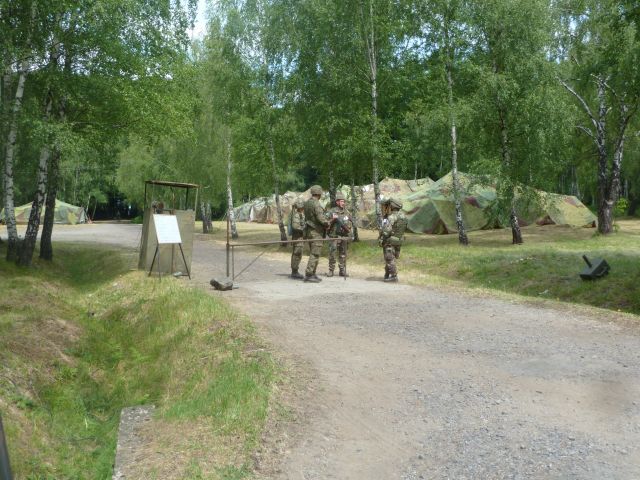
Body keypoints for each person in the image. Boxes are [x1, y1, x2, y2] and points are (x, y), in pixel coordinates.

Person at [303, 185, 330, 283]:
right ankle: (309, 274)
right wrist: (328, 223)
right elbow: (321, 218)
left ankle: (313, 273)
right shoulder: (316, 204)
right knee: (315, 254)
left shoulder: (307, 203)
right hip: (316, 232)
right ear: (319, 193)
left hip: (309, 231)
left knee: (314, 253)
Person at [379, 197, 408, 282]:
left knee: (389, 258)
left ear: (392, 206)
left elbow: (386, 231)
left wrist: (382, 235)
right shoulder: (404, 216)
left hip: (390, 241)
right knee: (391, 257)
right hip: (399, 240)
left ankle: (394, 276)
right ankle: (387, 274)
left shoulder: (391, 217)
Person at [326, 191, 353, 277]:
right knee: (332, 253)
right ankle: (331, 270)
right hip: (334, 236)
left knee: (343, 253)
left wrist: (349, 228)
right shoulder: (332, 211)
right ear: (337, 202)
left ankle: (342, 270)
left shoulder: (347, 212)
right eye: (341, 201)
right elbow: (326, 223)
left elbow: (350, 222)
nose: (343, 203)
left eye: (344, 201)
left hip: (343, 236)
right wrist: (333, 220)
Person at [289, 197, 306, 279]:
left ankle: (295, 271)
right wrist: (304, 229)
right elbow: (295, 226)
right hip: (298, 238)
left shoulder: (300, 214)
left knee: (298, 254)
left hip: (300, 238)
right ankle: (294, 272)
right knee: (297, 254)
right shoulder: (297, 215)